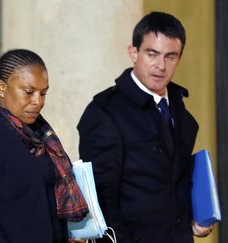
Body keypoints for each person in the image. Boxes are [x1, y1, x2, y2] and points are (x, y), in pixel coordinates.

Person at [77, 11, 214, 243]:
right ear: (134, 52)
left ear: (179, 58)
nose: (161, 65)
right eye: (152, 54)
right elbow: (100, 202)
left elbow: (172, 182)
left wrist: (194, 217)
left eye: (170, 57)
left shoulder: (179, 108)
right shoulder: (104, 113)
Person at [0, 49, 88, 243]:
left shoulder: (41, 134)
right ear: (1, 87)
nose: (38, 102)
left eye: (43, 93)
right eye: (29, 92)